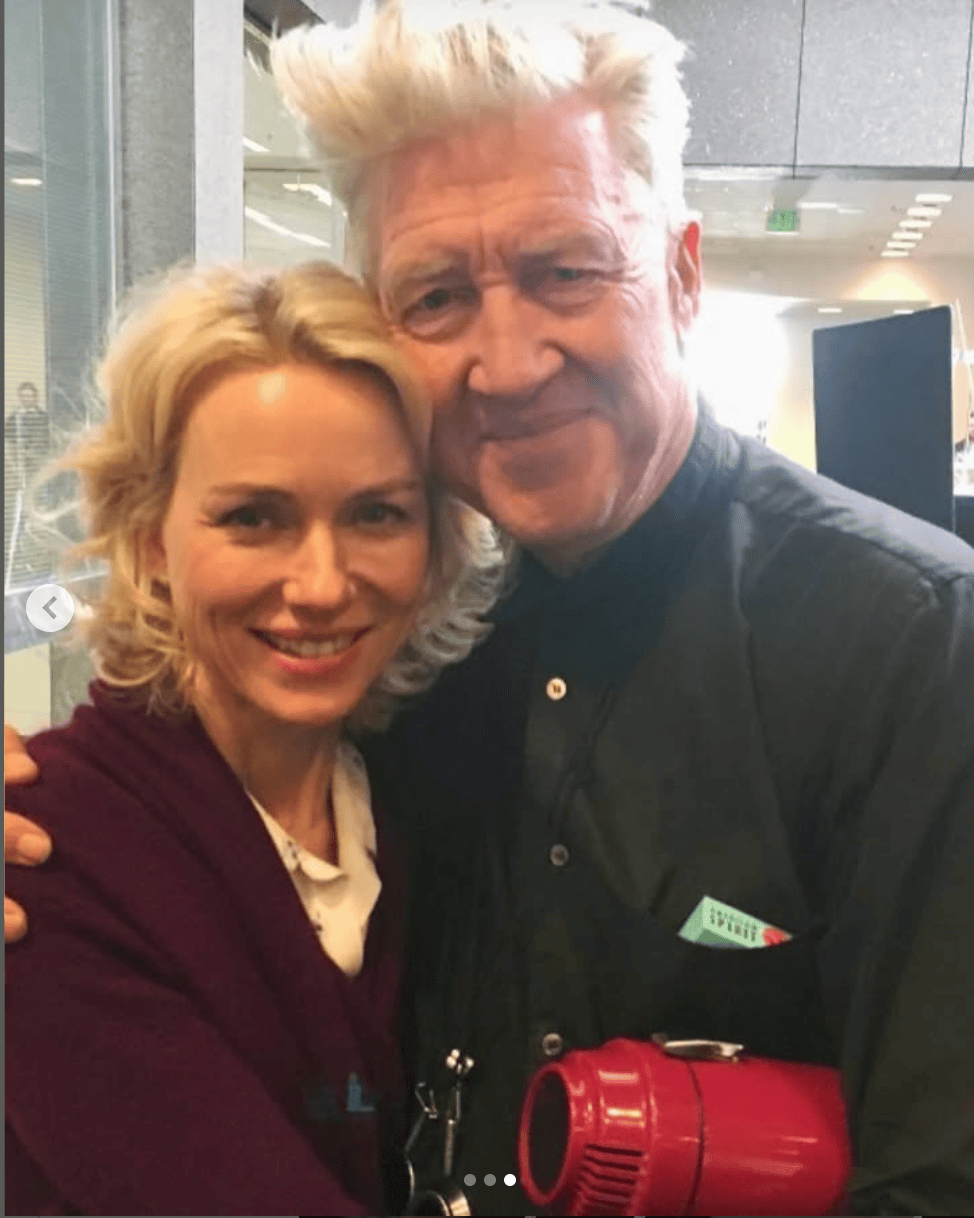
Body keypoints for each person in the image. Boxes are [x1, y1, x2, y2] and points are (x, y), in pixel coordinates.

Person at [7, 1, 974, 1212]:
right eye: (436, 297)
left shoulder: (906, 647)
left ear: (680, 274)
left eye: (564, 271)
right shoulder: (410, 661)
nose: (507, 364)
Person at [3, 259, 503, 1216]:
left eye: (377, 514)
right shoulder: (44, 857)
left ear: (437, 540)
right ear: (150, 538)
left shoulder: (422, 800)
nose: (321, 585)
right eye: (253, 518)